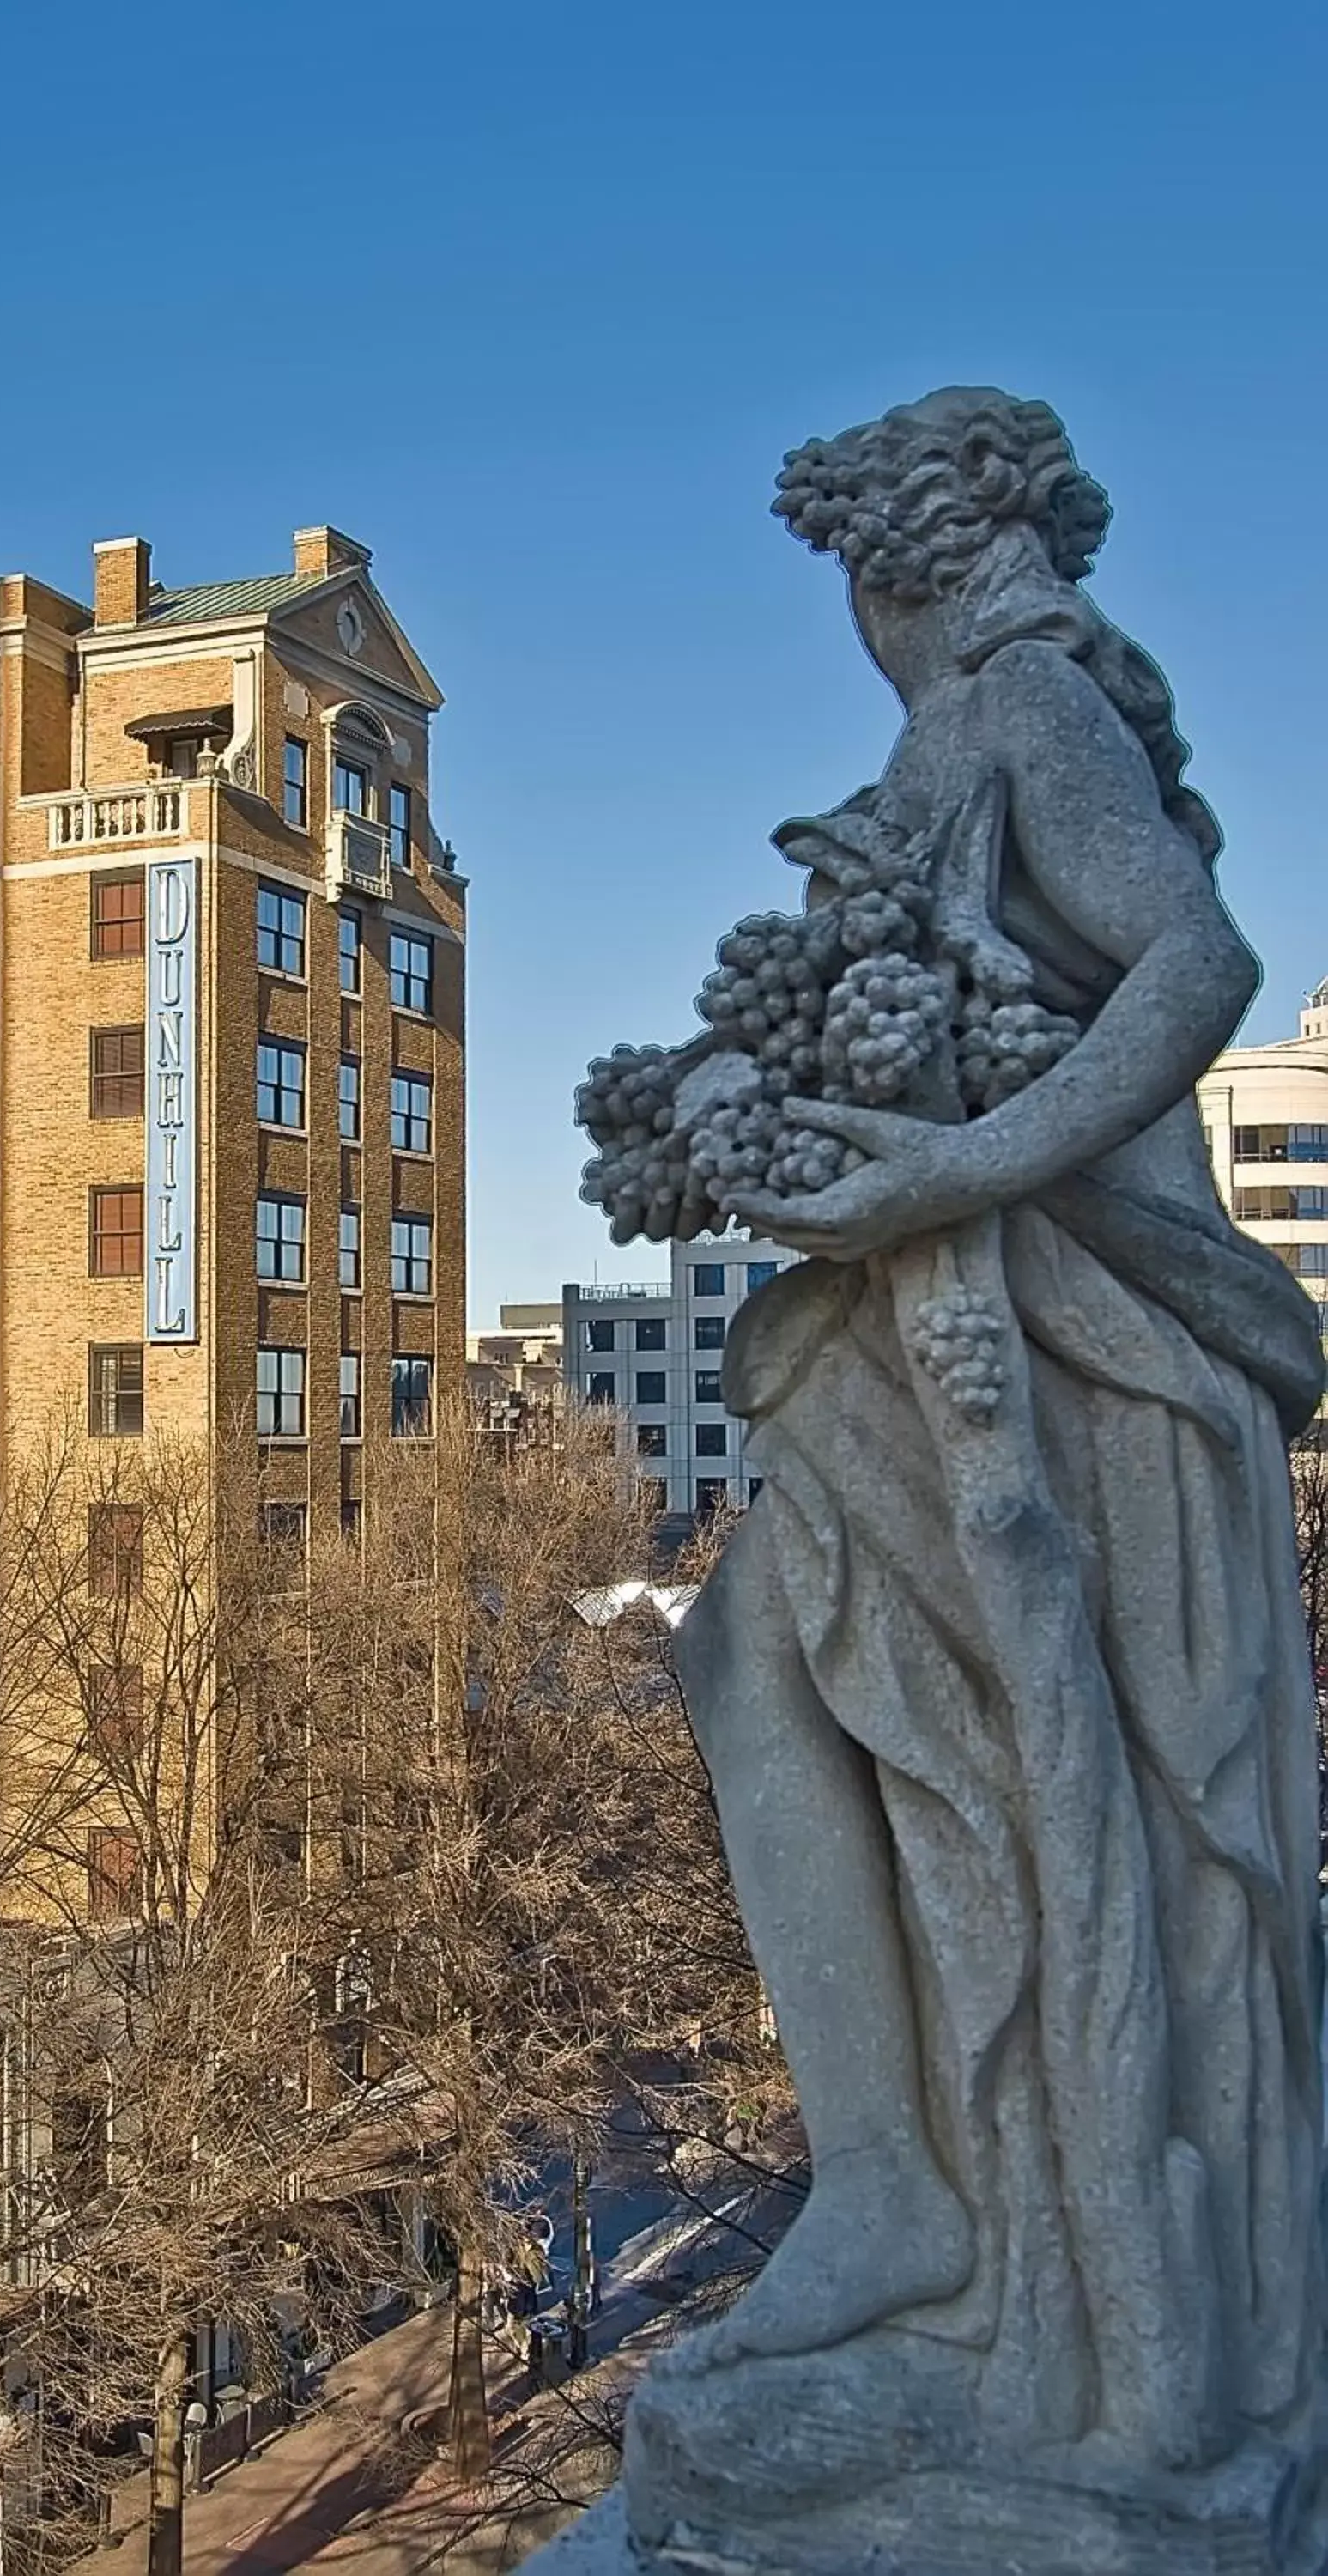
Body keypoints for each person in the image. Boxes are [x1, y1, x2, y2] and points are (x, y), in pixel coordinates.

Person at [663, 390, 1325, 2476]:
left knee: (873, 1715)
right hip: (977, 1332)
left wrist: (952, 1174)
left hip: (1077, 1361)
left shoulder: (1021, 704)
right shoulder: (975, 729)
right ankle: (894, 2182)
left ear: (895, 566)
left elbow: (1189, 964)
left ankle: (949, 2222)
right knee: (758, 1659)